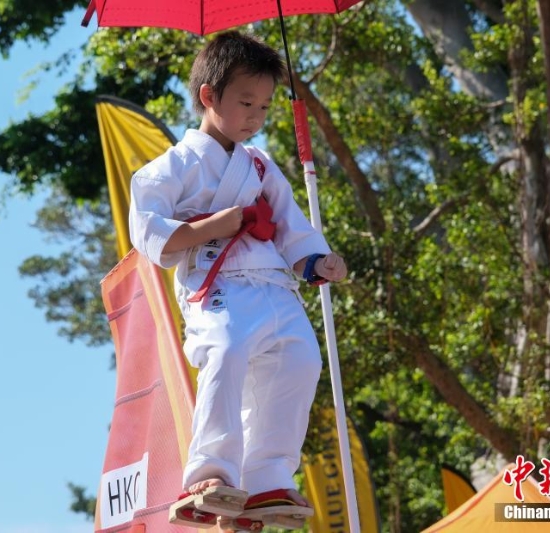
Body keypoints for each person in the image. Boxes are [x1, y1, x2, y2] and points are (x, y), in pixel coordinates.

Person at [129, 30, 347, 526]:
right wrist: (213, 225)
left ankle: (269, 479)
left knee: (299, 360)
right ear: (210, 96)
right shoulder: (171, 167)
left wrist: (317, 261)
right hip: (219, 285)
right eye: (245, 102)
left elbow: (291, 226)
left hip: (274, 285)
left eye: (265, 107)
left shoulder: (260, 165)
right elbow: (149, 232)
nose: (254, 116)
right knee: (226, 355)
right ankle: (211, 474)